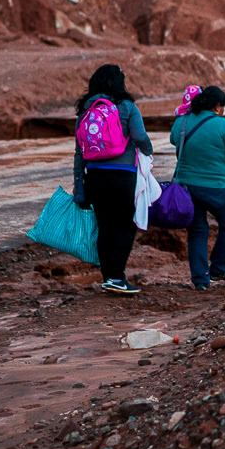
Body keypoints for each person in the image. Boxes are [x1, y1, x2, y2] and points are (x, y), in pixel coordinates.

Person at [73, 64, 154, 294]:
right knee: (126, 226)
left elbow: (79, 153)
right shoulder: (127, 107)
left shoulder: (85, 110)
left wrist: (79, 186)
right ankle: (117, 277)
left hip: (94, 176)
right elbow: (140, 137)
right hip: (122, 176)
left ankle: (109, 277)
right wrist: (148, 151)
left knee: (105, 227)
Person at [170, 86, 225, 291]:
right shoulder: (222, 125)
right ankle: (220, 267)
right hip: (216, 188)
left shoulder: (181, 122)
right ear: (216, 106)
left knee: (197, 231)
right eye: (222, 107)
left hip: (186, 187)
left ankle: (200, 280)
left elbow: (173, 140)